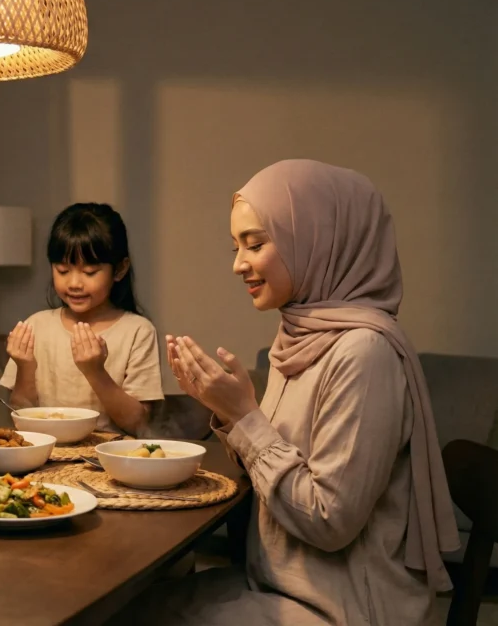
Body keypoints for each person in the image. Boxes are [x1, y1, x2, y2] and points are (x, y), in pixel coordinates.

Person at [133, 159, 459, 625]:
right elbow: (278, 465)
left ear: (316, 240)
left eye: (256, 244)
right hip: (278, 583)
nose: (238, 264)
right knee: (129, 602)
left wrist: (246, 417)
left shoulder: (364, 352)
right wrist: (227, 412)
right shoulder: (301, 335)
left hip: (339, 607)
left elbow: (328, 521)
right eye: (236, 246)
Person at [0, 202, 163, 436]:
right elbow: (20, 416)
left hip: (109, 459)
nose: (75, 283)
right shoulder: (36, 325)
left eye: (89, 272)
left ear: (119, 269)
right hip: (47, 456)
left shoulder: (137, 331)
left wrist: (95, 371)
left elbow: (136, 423)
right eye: (63, 271)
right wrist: (25, 366)